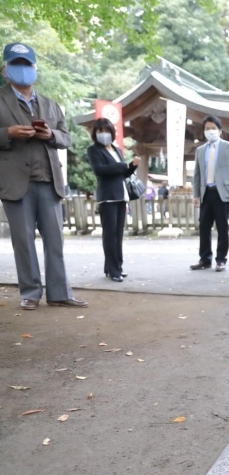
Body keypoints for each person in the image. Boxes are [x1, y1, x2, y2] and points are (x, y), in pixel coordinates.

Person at [0, 42, 87, 310]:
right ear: (5, 69)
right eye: (16, 64)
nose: (22, 70)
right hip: (16, 183)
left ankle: (60, 292)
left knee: (55, 240)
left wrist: (51, 135)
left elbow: (67, 137)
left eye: (27, 65)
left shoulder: (50, 105)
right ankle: (30, 292)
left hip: (50, 181)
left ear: (35, 69)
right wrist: (8, 134)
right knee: (23, 241)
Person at [87, 118, 140, 282]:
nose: (103, 134)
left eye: (106, 131)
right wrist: (124, 165)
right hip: (107, 197)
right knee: (110, 235)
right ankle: (113, 270)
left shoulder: (117, 150)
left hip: (121, 195)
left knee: (118, 234)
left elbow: (122, 174)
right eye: (100, 131)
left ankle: (115, 266)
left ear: (112, 132)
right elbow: (100, 170)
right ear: (95, 133)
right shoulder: (94, 150)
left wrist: (132, 167)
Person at [190, 115, 229, 272]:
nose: (210, 131)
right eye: (207, 129)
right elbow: (197, 174)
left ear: (220, 130)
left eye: (213, 128)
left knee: (222, 227)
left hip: (223, 193)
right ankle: (205, 259)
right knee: (204, 227)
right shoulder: (200, 150)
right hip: (206, 192)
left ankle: (221, 259)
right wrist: (196, 195)